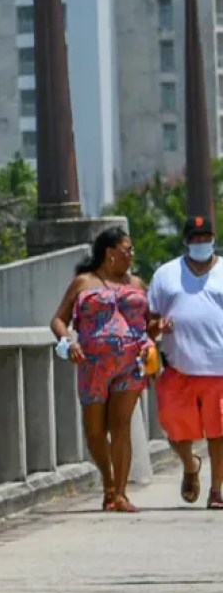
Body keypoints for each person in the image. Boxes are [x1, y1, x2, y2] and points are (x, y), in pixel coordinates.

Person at [49, 227, 151, 512]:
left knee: (121, 427)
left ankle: (120, 493)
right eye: (127, 249)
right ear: (110, 253)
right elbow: (58, 320)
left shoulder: (139, 284)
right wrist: (67, 342)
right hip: (92, 365)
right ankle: (108, 481)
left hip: (130, 364)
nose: (131, 255)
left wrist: (155, 337)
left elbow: (150, 322)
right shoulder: (84, 283)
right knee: (94, 430)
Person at [148, 215, 223, 510]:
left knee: (220, 432)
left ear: (213, 239)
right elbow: (149, 321)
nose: (201, 243)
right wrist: (158, 327)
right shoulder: (166, 275)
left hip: (219, 368)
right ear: (186, 241)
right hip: (178, 368)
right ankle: (190, 466)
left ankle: (216, 490)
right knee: (176, 431)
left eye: (206, 238)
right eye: (196, 238)